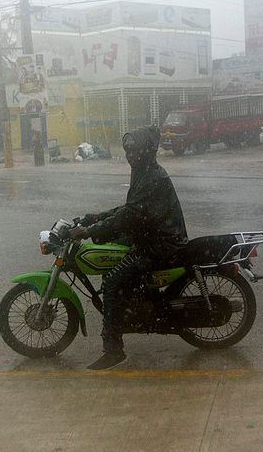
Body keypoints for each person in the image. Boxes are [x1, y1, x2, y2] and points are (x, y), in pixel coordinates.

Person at [69, 125, 188, 370]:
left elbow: (131, 214)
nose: (130, 155)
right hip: (150, 235)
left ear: (147, 151)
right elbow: (130, 209)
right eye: (127, 151)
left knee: (112, 280)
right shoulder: (143, 171)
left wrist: (91, 231)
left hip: (160, 243)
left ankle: (114, 350)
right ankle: (131, 308)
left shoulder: (152, 176)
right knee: (112, 257)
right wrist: (97, 217)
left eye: (134, 151)